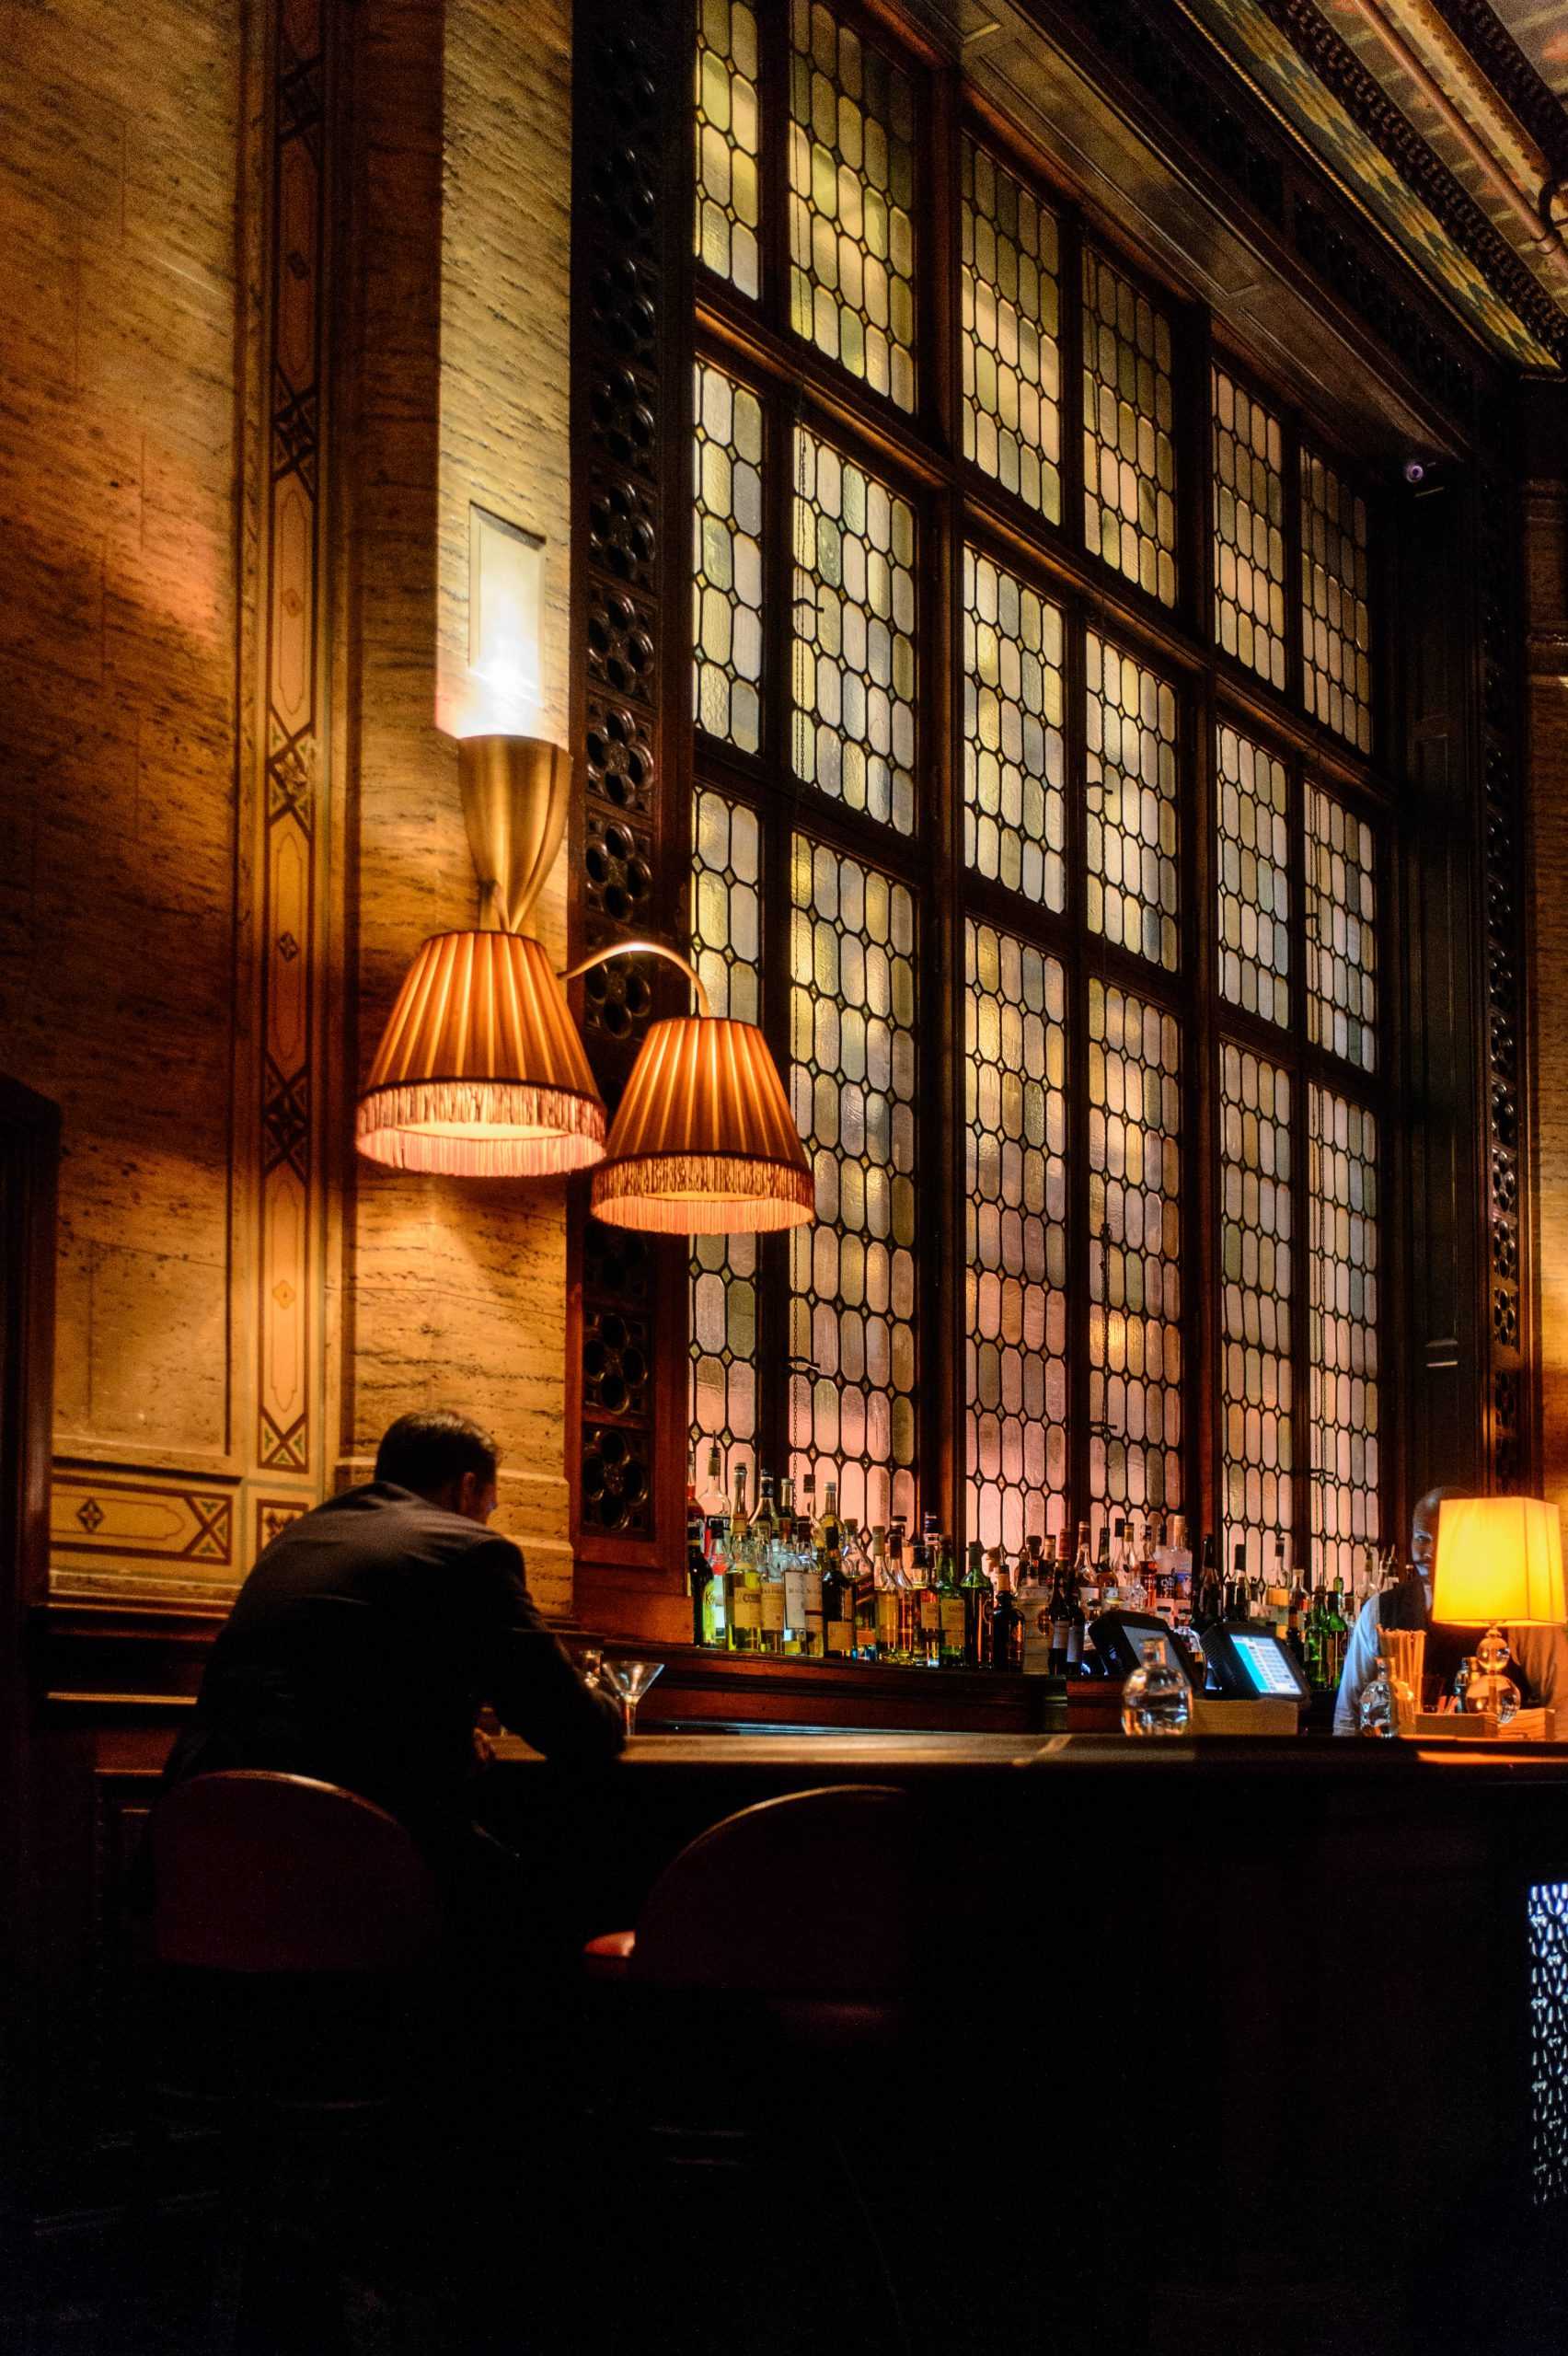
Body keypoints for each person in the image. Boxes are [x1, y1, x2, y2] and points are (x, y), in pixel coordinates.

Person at [161, 1407, 623, 1842]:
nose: (486, 1519)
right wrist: (613, 1708)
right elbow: (563, 1721)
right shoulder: (468, 1550)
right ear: (466, 1488)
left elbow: (336, 1686)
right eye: (488, 1506)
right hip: (348, 1842)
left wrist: (444, 1733)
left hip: (204, 1832)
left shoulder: (300, 1537)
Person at [1333, 1486, 1568, 1732]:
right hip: (1404, 1765)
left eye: (1445, 1538)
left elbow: (1563, 1704)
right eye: (1422, 1538)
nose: (1430, 1552)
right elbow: (1348, 1714)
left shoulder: (1516, 1612)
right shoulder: (1381, 1609)